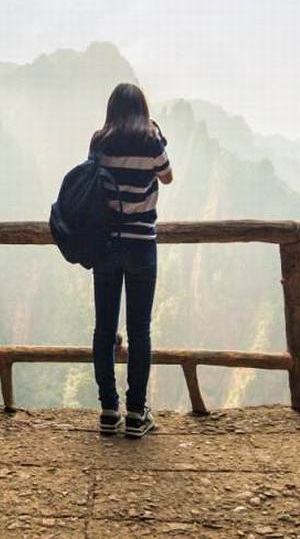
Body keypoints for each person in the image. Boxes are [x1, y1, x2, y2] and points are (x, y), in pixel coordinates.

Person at [88, 83, 173, 438]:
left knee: (104, 329)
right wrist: (159, 136)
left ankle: (109, 410)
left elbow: (92, 182)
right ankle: (137, 414)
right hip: (141, 245)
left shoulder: (100, 140)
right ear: (142, 109)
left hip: (107, 244)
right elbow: (167, 177)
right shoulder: (151, 140)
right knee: (140, 330)